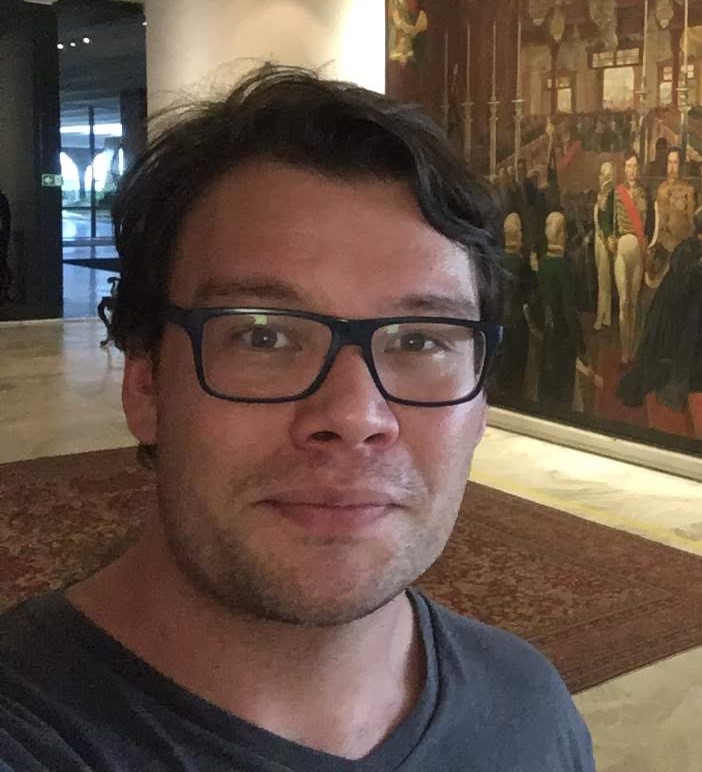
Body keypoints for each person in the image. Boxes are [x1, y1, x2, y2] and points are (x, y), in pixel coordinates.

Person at [0, 65, 594, 771]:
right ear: (146, 384)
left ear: (481, 403)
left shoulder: (530, 708)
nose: (354, 415)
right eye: (264, 336)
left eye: (419, 341)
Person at [538, 211, 588, 410]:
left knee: (548, 381)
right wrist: (581, 347)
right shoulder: (563, 268)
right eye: (564, 231)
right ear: (560, 234)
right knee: (563, 388)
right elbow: (569, 311)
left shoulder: (543, 263)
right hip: (563, 338)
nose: (566, 236)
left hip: (547, 334)